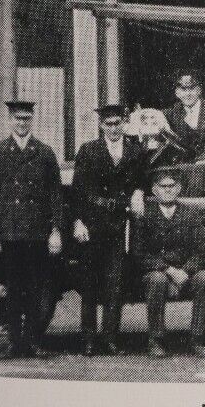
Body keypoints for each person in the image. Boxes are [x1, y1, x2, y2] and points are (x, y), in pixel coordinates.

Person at [0, 100, 63, 359]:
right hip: (10, 233)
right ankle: (14, 344)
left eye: (27, 118)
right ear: (10, 121)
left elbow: (55, 196)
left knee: (36, 290)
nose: (22, 123)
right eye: (18, 118)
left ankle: (33, 343)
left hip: (37, 234)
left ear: (32, 121)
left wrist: (56, 231)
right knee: (13, 290)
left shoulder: (45, 153)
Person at [71, 102, 147, 356]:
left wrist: (138, 191)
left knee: (115, 284)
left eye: (117, 123)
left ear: (124, 124)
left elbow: (142, 179)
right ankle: (88, 340)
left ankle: (110, 339)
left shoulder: (135, 151)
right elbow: (78, 191)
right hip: (92, 225)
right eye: (108, 124)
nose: (113, 128)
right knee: (90, 284)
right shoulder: (88, 150)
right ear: (101, 125)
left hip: (118, 226)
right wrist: (78, 221)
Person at [134, 166, 205, 358]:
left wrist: (186, 271)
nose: (168, 190)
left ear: (179, 189)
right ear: (154, 190)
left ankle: (197, 338)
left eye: (172, 186)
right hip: (159, 272)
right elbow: (139, 254)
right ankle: (156, 339)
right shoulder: (146, 215)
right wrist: (168, 270)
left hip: (186, 272)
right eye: (163, 186)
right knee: (157, 280)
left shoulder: (192, 214)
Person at [166, 69, 205, 160]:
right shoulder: (173, 113)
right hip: (185, 166)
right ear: (177, 93)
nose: (188, 94)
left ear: (199, 90)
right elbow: (153, 115)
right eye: (183, 89)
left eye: (192, 89)